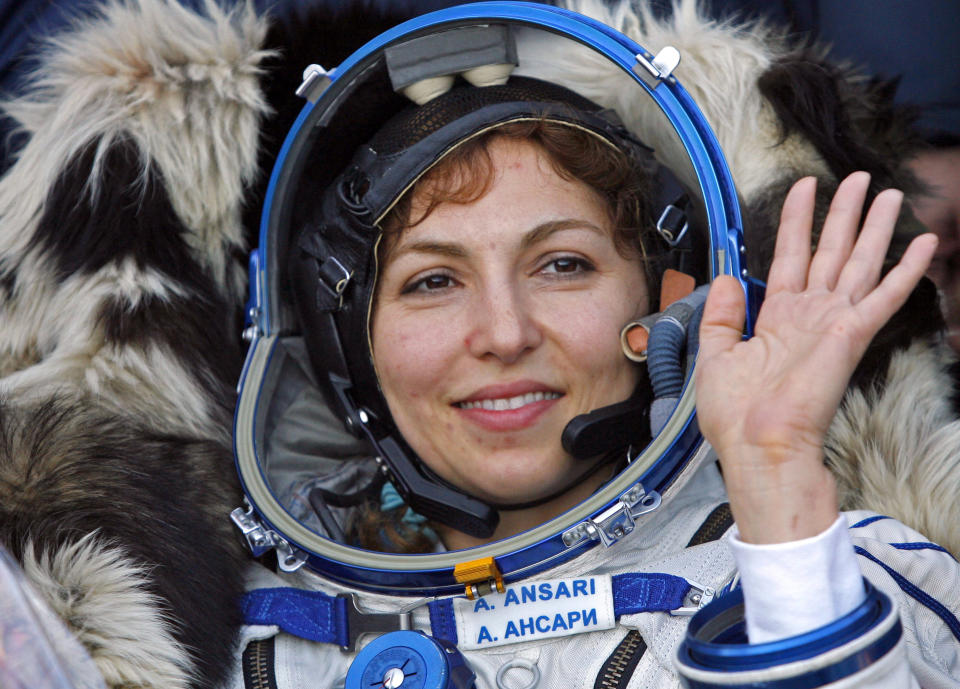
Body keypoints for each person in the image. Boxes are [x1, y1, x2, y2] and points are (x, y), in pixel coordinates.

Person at [229, 46, 960, 684]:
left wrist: (780, 494)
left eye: (563, 264)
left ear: (665, 305)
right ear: (349, 347)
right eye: (433, 281)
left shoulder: (858, 574)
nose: (504, 333)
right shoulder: (204, 635)